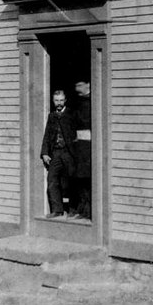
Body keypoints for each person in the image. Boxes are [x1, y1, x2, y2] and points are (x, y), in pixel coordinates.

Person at [40, 90, 76, 218]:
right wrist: (45, 153)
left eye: (61, 100)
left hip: (69, 153)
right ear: (53, 101)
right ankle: (57, 209)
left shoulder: (72, 114)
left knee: (71, 181)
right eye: (56, 100)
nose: (59, 103)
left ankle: (74, 209)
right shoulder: (52, 116)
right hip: (55, 153)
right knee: (52, 181)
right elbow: (47, 135)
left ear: (65, 100)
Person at [70, 80, 91, 220]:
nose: (76, 88)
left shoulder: (93, 101)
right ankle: (81, 209)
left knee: (88, 177)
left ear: (88, 84)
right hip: (78, 145)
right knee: (79, 177)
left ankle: (89, 211)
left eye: (79, 85)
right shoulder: (75, 102)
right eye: (75, 85)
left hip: (90, 145)